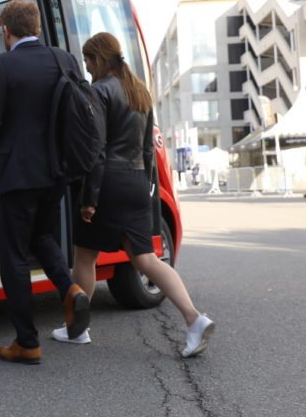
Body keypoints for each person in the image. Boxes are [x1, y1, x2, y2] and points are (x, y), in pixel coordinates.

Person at [53, 32, 214, 358]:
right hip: (138, 183)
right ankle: (194, 318)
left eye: (88, 62)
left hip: (109, 184)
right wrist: (149, 190)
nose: (87, 68)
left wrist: (89, 198)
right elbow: (146, 150)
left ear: (98, 59)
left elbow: (97, 149)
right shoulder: (139, 91)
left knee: (84, 255)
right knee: (147, 259)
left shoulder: (100, 92)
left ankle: (78, 329)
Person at [0, 0, 90, 365]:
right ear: (38, 27)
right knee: (43, 237)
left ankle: (27, 342)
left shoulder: (2, 65)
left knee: (14, 256)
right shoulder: (65, 60)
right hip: (57, 171)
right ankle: (69, 289)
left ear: (5, 32)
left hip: (16, 174)